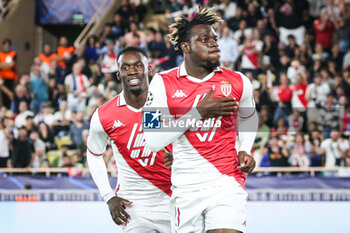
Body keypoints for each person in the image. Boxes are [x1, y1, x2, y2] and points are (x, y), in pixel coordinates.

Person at [143, 8, 258, 233]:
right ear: (186, 47)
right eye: (204, 39)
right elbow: (152, 138)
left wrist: (245, 148)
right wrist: (197, 113)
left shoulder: (238, 81)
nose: (213, 43)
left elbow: (248, 116)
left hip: (227, 179)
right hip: (186, 186)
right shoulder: (161, 83)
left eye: (214, 38)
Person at [87, 46, 172, 232]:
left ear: (149, 70)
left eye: (138, 66)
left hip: (175, 201)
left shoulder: (169, 106)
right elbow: (94, 155)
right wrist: (108, 196)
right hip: (134, 207)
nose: (132, 71)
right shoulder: (104, 115)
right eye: (125, 68)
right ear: (118, 75)